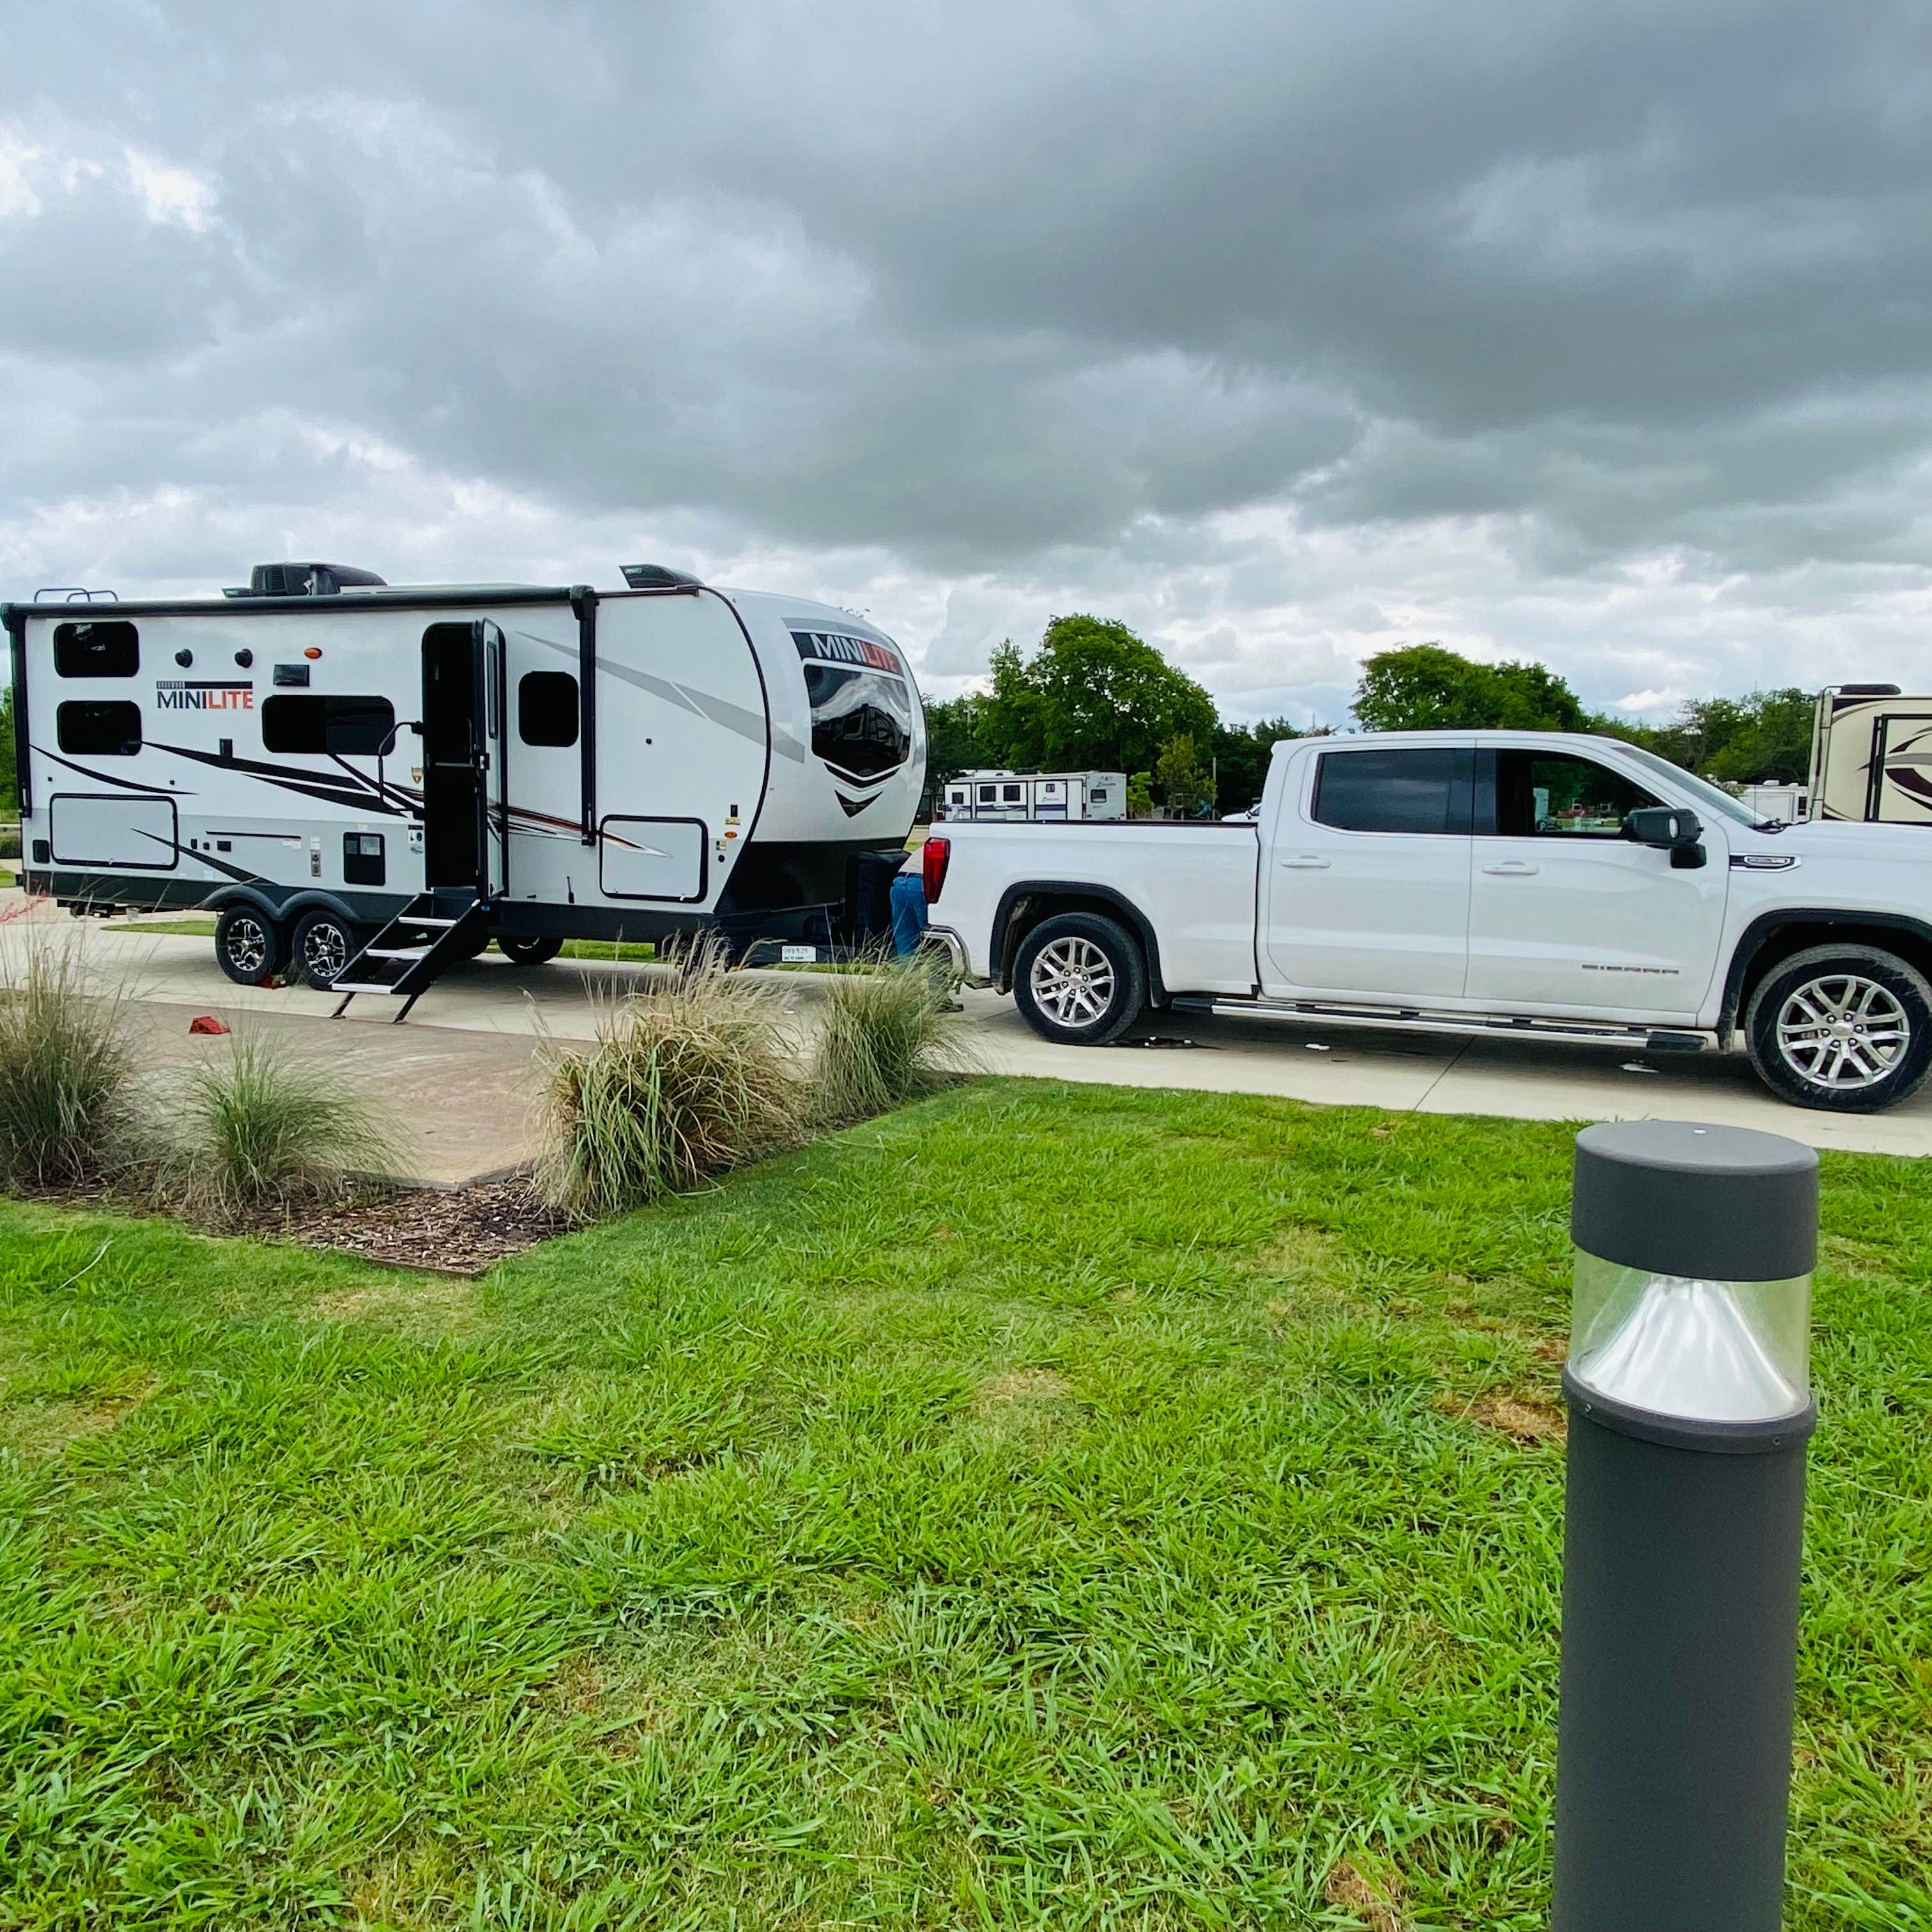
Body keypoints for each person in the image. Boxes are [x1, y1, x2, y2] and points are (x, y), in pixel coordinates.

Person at [889, 849, 928, 956]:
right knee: (932, 934)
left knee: (904, 936)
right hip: (921, 884)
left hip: (899, 884)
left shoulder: (927, 846)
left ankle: (906, 965)